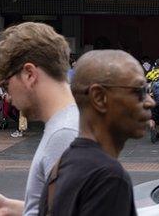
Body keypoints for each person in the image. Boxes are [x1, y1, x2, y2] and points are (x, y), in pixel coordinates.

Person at [0, 22, 78, 216]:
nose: (8, 96)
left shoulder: (64, 135)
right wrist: (9, 208)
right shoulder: (65, 126)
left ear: (29, 74)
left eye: (6, 85)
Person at [38, 50, 153, 216]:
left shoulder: (61, 166)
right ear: (99, 97)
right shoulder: (109, 178)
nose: (150, 101)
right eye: (139, 91)